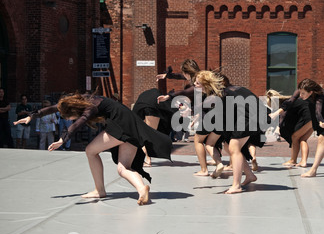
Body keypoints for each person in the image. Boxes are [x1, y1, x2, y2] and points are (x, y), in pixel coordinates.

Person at [14, 92, 172, 205]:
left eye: (67, 117)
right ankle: (141, 189)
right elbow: (55, 108)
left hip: (121, 126)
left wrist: (63, 139)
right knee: (123, 168)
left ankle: (99, 190)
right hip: (130, 124)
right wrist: (32, 116)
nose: (67, 119)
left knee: (90, 150)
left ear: (73, 111)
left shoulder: (89, 108)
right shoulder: (83, 99)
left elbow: (78, 123)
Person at [194, 70, 266, 194]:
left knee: (234, 147)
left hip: (250, 116)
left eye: (197, 83)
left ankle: (236, 185)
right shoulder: (222, 91)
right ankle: (249, 175)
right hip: (244, 116)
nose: (194, 85)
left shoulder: (220, 93)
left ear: (206, 84)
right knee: (229, 146)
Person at [268, 89, 313, 168]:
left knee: (294, 137)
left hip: (308, 117)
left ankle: (293, 160)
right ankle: (303, 161)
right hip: (314, 117)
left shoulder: (285, 104)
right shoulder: (291, 100)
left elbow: (283, 117)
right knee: (302, 139)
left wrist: (278, 127)